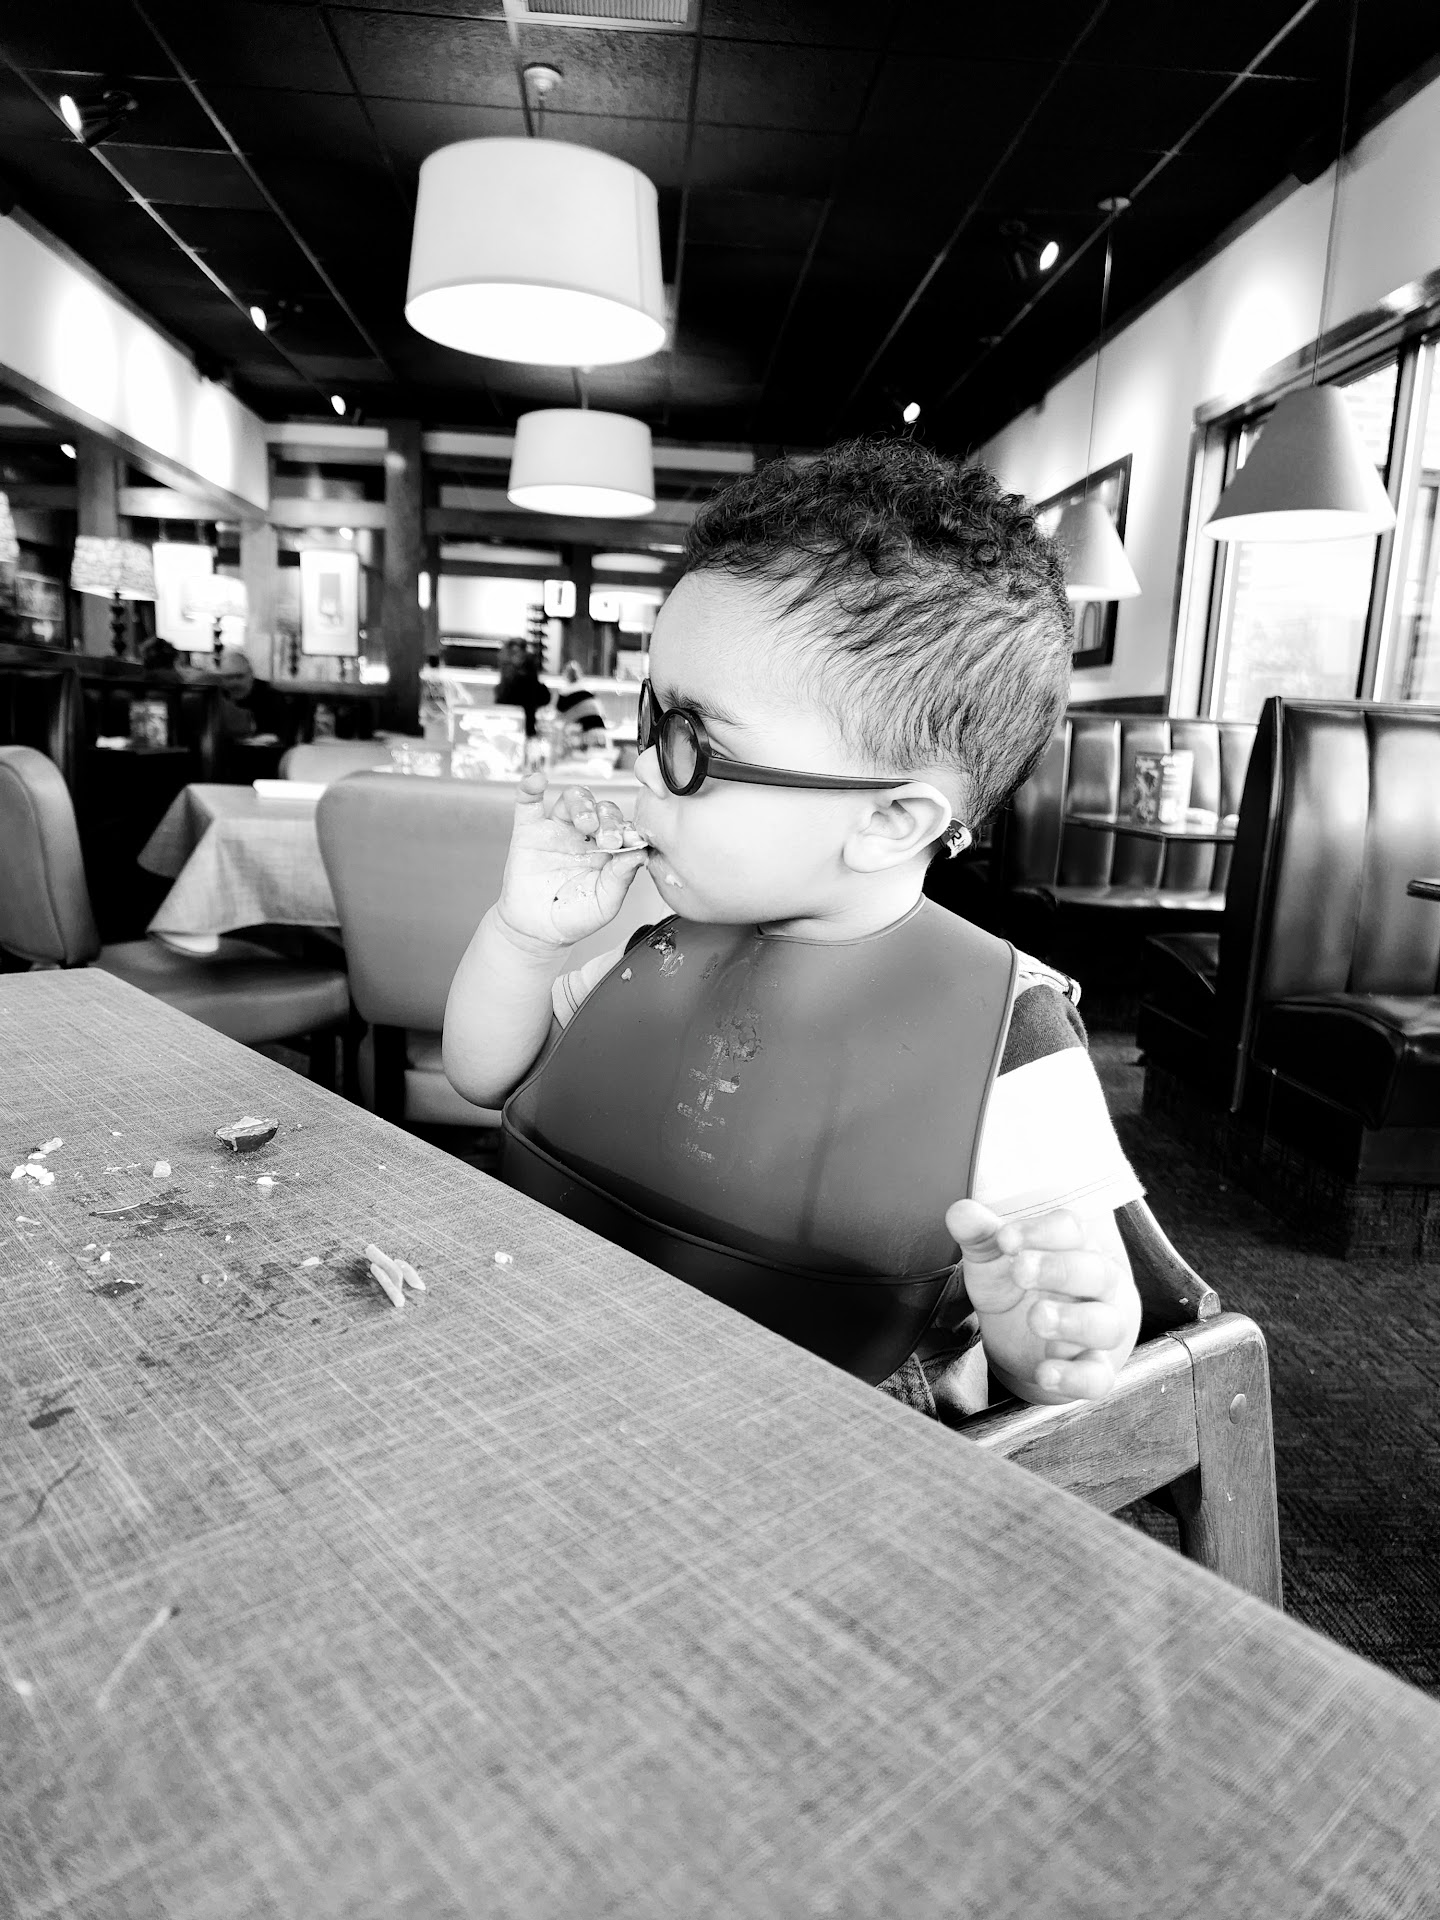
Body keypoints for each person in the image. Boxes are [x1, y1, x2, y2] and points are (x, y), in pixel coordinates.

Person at [444, 440, 1142, 1418]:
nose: (642, 768)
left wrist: (1042, 1335)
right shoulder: (668, 942)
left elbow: (1074, 1330)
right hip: (584, 1365)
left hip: (833, 1439)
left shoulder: (1008, 1038)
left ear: (888, 820)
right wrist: (522, 938)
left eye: (691, 741)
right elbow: (486, 1078)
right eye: (652, 716)